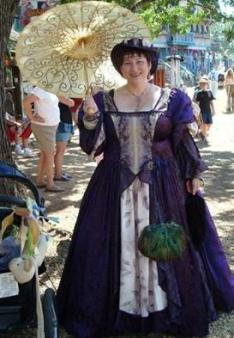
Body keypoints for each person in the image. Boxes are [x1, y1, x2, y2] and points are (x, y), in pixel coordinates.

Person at [56, 38, 234, 338]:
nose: (134, 67)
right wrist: (88, 118)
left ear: (150, 65)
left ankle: (164, 310)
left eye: (140, 61)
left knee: (169, 242)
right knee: (108, 243)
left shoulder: (173, 99)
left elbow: (184, 141)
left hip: (164, 183)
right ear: (119, 67)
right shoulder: (102, 101)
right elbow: (92, 146)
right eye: (127, 62)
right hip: (113, 184)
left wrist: (193, 174)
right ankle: (118, 310)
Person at [23, 86, 67, 192]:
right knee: (50, 154)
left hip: (50, 127)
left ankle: (40, 180)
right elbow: (26, 101)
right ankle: (50, 184)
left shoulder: (51, 88)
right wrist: (32, 116)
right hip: (44, 127)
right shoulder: (40, 89)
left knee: (45, 154)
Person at [54, 98, 76, 181]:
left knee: (61, 151)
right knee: (60, 151)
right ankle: (57, 174)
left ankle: (59, 172)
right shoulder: (57, 95)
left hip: (64, 123)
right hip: (62, 124)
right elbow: (71, 103)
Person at [193, 77, 215, 143]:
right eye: (201, 84)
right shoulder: (198, 93)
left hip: (208, 110)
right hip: (202, 111)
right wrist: (197, 112)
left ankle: (201, 133)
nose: (203, 85)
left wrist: (213, 110)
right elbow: (197, 103)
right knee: (204, 124)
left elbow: (211, 101)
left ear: (207, 84)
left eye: (204, 83)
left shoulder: (209, 92)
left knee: (210, 124)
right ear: (200, 85)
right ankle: (205, 138)